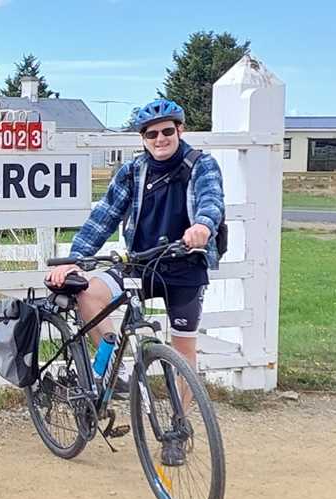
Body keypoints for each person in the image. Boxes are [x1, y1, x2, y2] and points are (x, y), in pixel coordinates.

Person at [45, 98, 225, 463]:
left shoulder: (201, 164)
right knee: (89, 293)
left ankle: (176, 428)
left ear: (180, 131)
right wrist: (72, 262)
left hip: (185, 266)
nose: (160, 139)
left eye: (167, 131)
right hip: (140, 266)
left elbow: (212, 200)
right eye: (151, 134)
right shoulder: (133, 172)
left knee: (184, 352)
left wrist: (203, 226)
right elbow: (104, 217)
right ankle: (116, 368)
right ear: (143, 138)